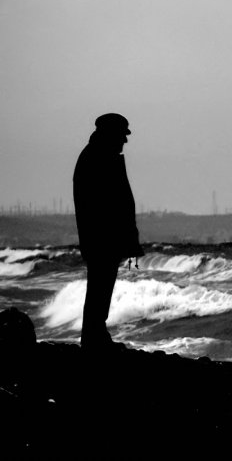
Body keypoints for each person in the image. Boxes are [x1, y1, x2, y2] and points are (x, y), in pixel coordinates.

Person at [73, 113, 144, 351]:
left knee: (100, 288)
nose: (125, 141)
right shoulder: (98, 158)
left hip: (102, 239)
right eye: (122, 136)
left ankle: (95, 335)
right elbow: (110, 204)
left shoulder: (97, 156)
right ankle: (94, 338)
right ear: (111, 134)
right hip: (102, 239)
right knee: (99, 289)